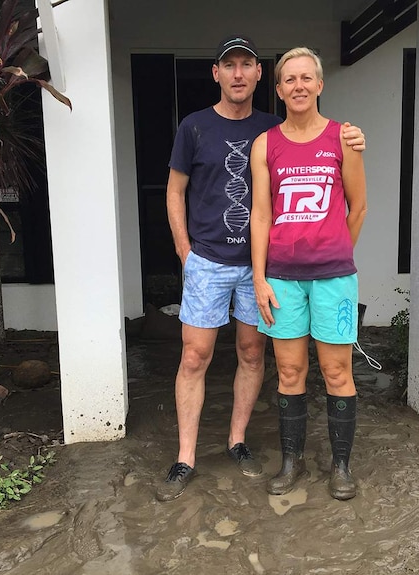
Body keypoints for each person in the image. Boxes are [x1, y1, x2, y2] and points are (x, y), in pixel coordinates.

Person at [157, 36, 366, 502]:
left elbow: (352, 198)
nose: (237, 73)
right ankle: (186, 457)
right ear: (216, 73)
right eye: (228, 65)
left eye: (246, 65)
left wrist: (333, 253)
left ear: (257, 76)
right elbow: (178, 192)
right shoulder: (196, 127)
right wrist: (184, 252)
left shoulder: (279, 127)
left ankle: (238, 442)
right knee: (196, 356)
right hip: (215, 263)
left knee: (255, 354)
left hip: (275, 270)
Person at [249, 47, 367, 501]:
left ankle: (340, 466)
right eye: (289, 79)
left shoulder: (343, 139)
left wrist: (334, 248)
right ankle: (291, 462)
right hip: (280, 278)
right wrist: (259, 277)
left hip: (334, 277)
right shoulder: (266, 144)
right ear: (278, 90)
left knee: (338, 373)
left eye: (306, 78)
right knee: (289, 370)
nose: (298, 86)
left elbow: (358, 206)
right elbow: (261, 215)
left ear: (320, 84)